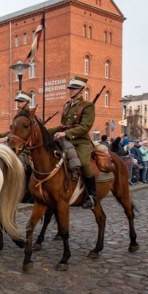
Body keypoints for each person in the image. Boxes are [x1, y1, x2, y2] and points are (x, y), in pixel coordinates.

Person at [47, 76, 97, 208]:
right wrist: (46, 132)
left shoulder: (88, 106)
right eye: (70, 88)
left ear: (81, 90)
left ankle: (92, 195)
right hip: (66, 139)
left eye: (73, 88)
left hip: (80, 141)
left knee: (84, 163)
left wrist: (66, 133)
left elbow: (85, 127)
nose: (70, 90)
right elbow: (63, 126)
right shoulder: (67, 105)